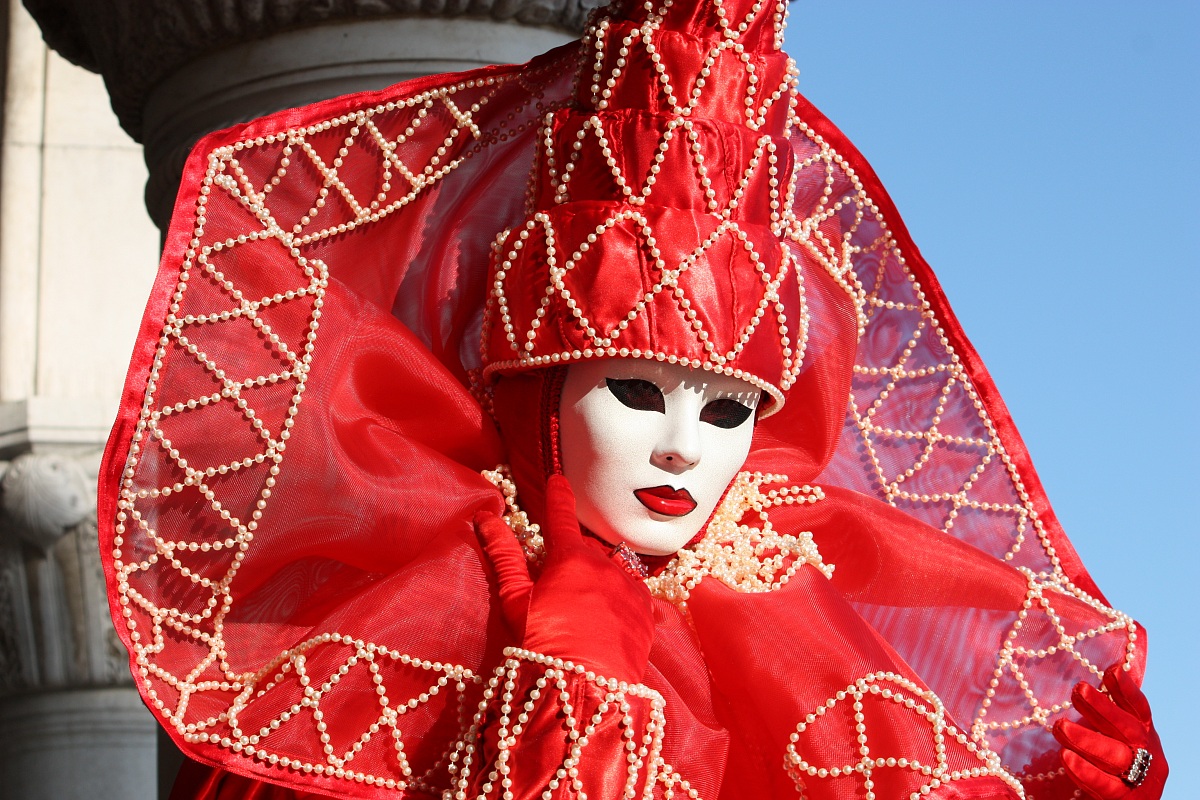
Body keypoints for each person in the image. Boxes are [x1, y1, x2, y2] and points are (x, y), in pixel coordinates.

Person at [99, 0, 1165, 797]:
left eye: (725, 409)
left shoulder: (803, 634)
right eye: (637, 388)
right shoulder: (390, 644)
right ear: (535, 391)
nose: (679, 451)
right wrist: (569, 672)